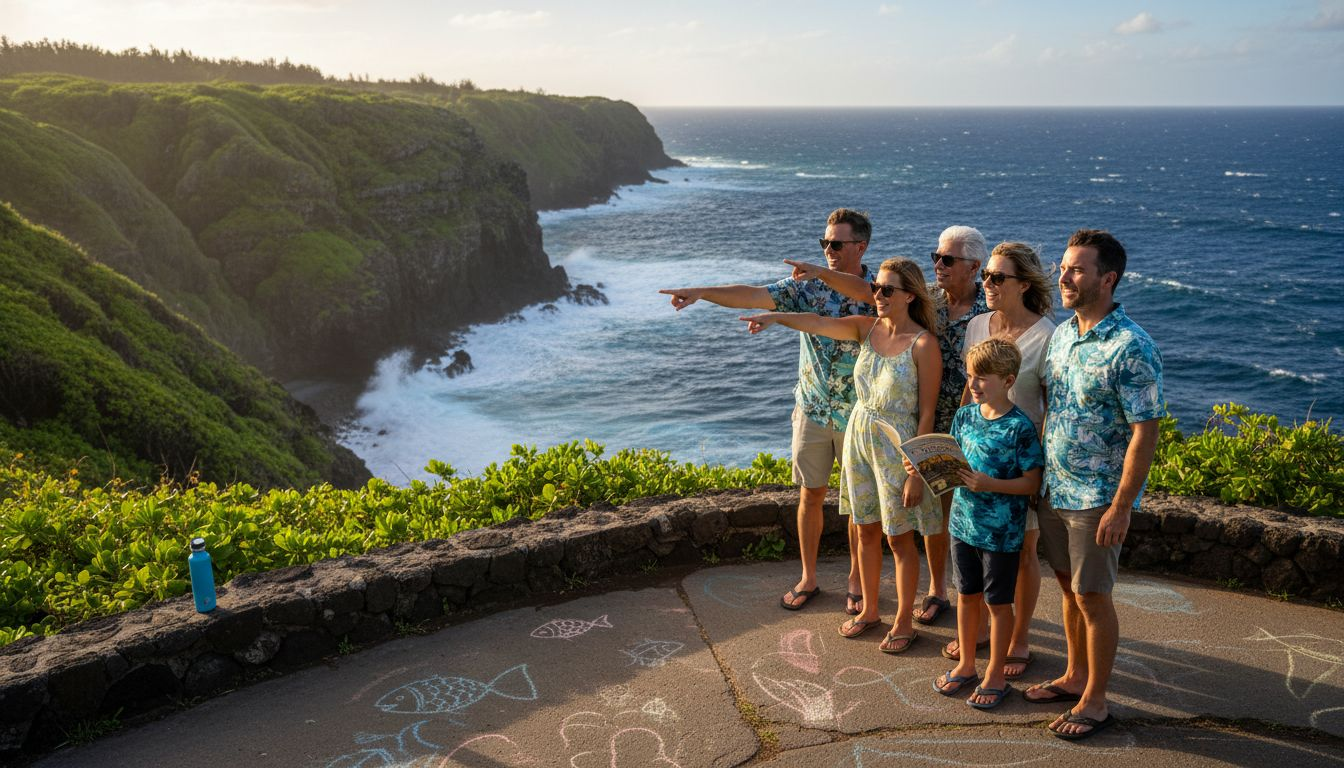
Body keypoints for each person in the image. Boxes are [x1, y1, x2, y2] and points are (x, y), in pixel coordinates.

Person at [658, 209, 875, 613]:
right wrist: (702, 292)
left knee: (856, 503)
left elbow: (865, 294)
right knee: (810, 495)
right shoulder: (805, 287)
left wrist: (819, 275)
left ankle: (855, 580)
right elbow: (753, 294)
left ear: (860, 246)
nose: (828, 250)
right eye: (824, 243)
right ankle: (809, 577)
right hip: (812, 406)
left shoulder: (878, 291)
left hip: (857, 412)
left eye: (836, 244)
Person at [738, 258, 942, 653]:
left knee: (898, 538)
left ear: (910, 296)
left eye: (887, 290)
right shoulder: (867, 329)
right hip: (859, 438)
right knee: (864, 528)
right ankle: (869, 612)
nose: (877, 295)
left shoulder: (924, 344)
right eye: (876, 287)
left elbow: (928, 412)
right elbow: (816, 323)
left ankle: (903, 621)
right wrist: (775, 317)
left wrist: (918, 470)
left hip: (897, 449)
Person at [1024, 229, 1164, 742]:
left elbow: (1144, 432)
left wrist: (1121, 506)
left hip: (1095, 497)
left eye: (1077, 269)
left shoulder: (1131, 346)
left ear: (1108, 279)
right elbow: (1053, 410)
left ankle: (1097, 701)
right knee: (1067, 587)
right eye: (1063, 266)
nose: (1064, 276)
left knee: (1093, 596)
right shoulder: (1063, 335)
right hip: (1055, 490)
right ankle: (1075, 675)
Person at [942, 242, 1056, 681]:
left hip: (1017, 457)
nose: (985, 284)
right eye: (984, 275)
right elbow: (972, 387)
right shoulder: (978, 325)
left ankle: (1019, 638)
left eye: (996, 278)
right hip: (977, 455)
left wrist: (1035, 473)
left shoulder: (1046, 335)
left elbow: (1049, 404)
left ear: (1023, 284)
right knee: (978, 561)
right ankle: (984, 637)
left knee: (1023, 552)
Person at [932, 337, 1044, 710]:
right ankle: (966, 663)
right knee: (966, 597)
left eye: (982, 378)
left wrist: (991, 484)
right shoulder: (964, 417)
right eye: (969, 377)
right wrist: (924, 467)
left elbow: (1032, 482)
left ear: (1008, 379)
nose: (973, 385)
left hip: (1001, 533)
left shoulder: (1020, 428)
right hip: (962, 524)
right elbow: (955, 465)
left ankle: (995, 673)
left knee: (998, 604)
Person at [915, 225, 990, 626]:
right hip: (930, 419)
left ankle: (974, 598)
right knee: (934, 510)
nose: (938, 266)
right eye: (936, 257)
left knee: (969, 513)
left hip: (974, 425)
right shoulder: (927, 300)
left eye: (948, 259)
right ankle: (936, 589)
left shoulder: (989, 312)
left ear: (974, 266)